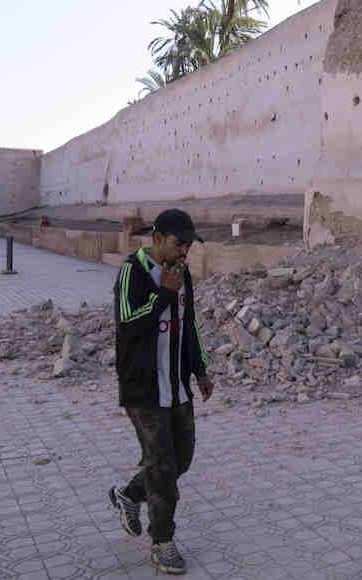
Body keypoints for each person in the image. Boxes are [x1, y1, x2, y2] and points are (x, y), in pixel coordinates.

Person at [108, 209, 214, 575]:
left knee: (181, 459)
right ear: (157, 239)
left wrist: (200, 369)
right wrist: (163, 295)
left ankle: (129, 495)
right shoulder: (132, 272)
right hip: (144, 389)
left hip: (177, 386)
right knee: (163, 467)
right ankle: (162, 541)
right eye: (178, 244)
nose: (184, 252)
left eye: (188, 246)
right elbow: (128, 323)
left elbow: (189, 324)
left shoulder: (182, 274)